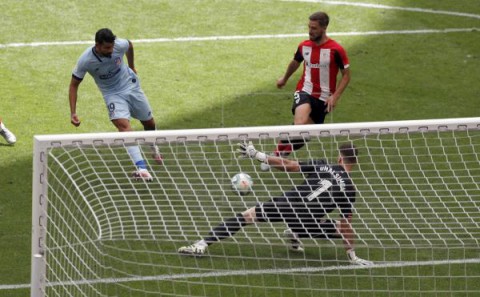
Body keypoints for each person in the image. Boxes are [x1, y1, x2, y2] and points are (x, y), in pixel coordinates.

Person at [178, 141, 373, 266]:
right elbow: (347, 225)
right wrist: (352, 255)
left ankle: (201, 245)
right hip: (306, 219)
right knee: (339, 226)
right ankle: (296, 231)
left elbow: (289, 165)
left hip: (287, 203)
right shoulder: (349, 189)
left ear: (339, 157)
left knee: (246, 217)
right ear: (353, 162)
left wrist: (258, 155)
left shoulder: (324, 165)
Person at [69, 28, 161, 181]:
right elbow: (73, 85)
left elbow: (129, 45)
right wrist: (73, 112)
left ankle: (153, 147)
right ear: (97, 45)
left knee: (149, 123)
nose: (110, 51)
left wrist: (131, 66)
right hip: (112, 94)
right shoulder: (86, 60)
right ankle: (142, 168)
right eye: (106, 48)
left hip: (130, 86)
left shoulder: (119, 45)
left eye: (111, 47)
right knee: (123, 126)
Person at [265, 11, 351, 169]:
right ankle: (275, 155)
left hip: (324, 98)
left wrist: (335, 97)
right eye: (309, 27)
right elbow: (295, 62)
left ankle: (281, 152)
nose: (310, 31)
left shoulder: (336, 50)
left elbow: (346, 75)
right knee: (300, 124)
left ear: (324, 28)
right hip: (304, 90)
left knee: (303, 136)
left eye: (314, 28)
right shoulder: (304, 46)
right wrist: (284, 79)